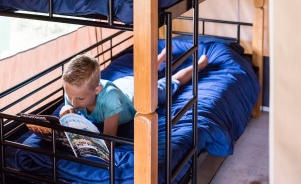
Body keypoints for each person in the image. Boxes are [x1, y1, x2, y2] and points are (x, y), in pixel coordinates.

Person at [62, 48, 209, 142]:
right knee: (146, 75)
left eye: (80, 99)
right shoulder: (73, 92)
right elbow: (68, 108)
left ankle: (199, 65)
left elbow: (108, 139)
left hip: (140, 95)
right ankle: (163, 54)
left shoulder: (110, 100)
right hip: (124, 86)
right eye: (70, 96)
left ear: (97, 90)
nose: (73, 102)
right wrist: (66, 114)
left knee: (171, 82)